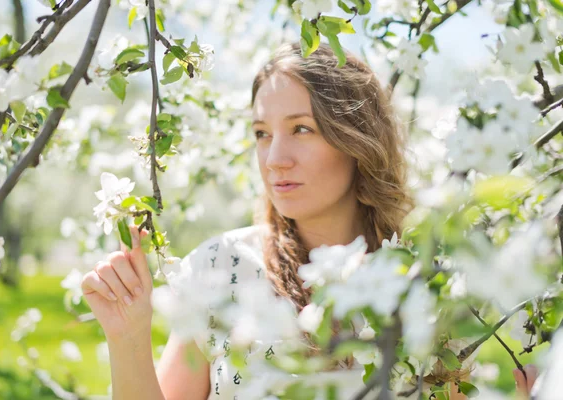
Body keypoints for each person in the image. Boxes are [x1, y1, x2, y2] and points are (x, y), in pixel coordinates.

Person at [80, 42, 528, 399]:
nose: (274, 159)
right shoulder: (219, 267)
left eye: (301, 129)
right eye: (262, 134)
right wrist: (128, 338)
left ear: (357, 140)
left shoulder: (425, 282)